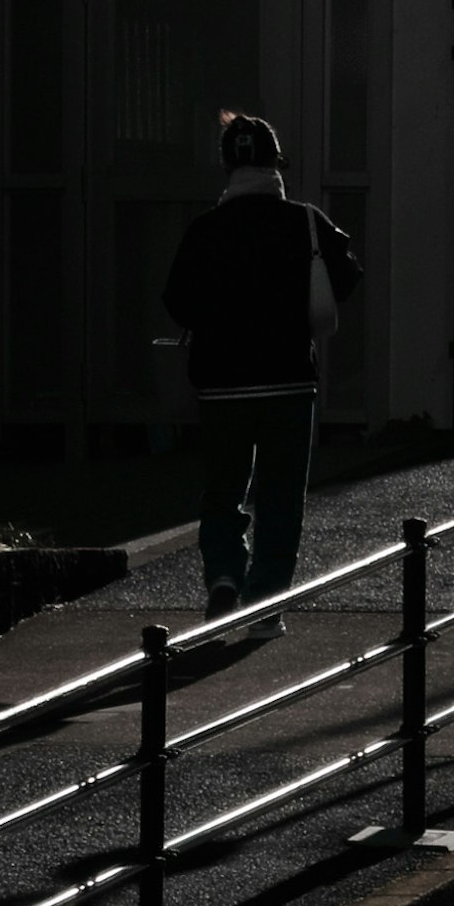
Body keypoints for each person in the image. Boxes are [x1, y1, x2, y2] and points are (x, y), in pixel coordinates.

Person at [160, 106, 359, 618]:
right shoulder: (306, 222)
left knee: (223, 491)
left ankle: (224, 574)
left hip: (221, 383)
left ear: (228, 167)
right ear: (276, 165)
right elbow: (348, 277)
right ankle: (267, 602)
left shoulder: (205, 230)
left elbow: (176, 301)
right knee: (280, 496)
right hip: (289, 380)